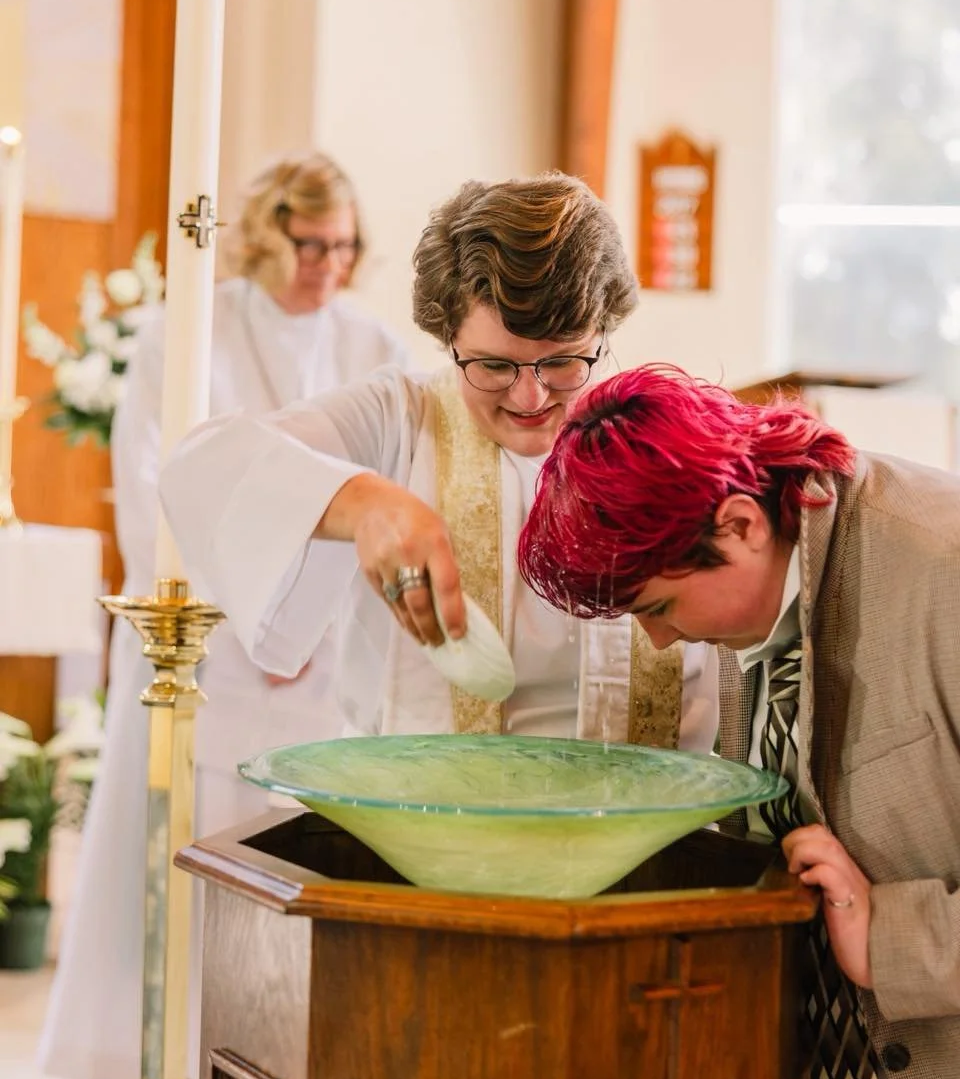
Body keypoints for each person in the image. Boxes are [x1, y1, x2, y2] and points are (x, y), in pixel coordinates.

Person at [39, 152, 410, 1079]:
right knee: (178, 855)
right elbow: (155, 490)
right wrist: (254, 621)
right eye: (310, 244)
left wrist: (306, 626)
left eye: (345, 246)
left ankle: (270, 1060)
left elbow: (391, 491)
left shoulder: (372, 347)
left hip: (324, 657)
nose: (328, 264)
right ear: (266, 234)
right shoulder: (185, 332)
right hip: (198, 641)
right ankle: (156, 1056)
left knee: (286, 866)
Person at [157, 172, 719, 760]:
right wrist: (363, 504)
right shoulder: (398, 419)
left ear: (604, 332)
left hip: (642, 803)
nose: (530, 397)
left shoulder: (667, 433)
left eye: (562, 362)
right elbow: (201, 467)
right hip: (424, 805)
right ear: (446, 337)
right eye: (493, 366)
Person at [517, 363, 960, 1079]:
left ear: (741, 524)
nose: (659, 642)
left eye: (659, 607)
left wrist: (894, 939)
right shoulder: (760, 589)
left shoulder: (943, 571)